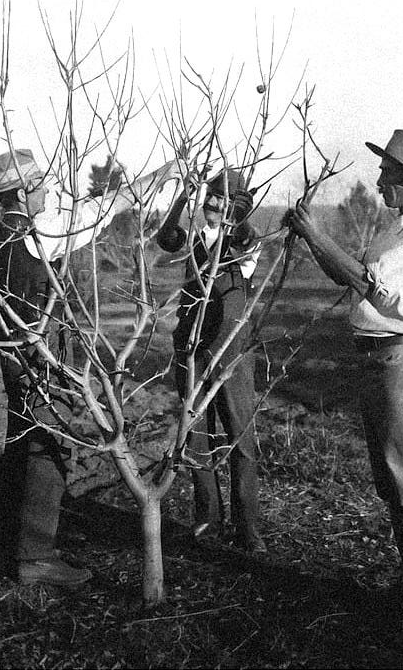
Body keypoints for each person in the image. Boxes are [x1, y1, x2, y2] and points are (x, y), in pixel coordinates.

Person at [284, 129, 403, 634]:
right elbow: (352, 276)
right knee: (394, 483)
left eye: (387, 172)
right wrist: (308, 237)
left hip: (400, 362)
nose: (380, 180)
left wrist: (316, 232)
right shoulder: (399, 230)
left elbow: (368, 282)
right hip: (379, 362)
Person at [0, 148, 175, 586]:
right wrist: (165, 173)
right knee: (48, 448)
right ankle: (36, 557)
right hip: (36, 356)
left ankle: (15, 547)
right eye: (41, 185)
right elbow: (107, 205)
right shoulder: (36, 237)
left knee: (21, 443)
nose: (49, 190)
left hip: (13, 353)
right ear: (25, 192)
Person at [155, 168, 266, 553]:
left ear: (237, 206)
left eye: (223, 199)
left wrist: (238, 219)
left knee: (240, 437)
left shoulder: (243, 242)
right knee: (196, 437)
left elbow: (243, 238)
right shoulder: (193, 240)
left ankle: (247, 526)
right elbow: (165, 237)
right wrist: (181, 200)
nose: (213, 205)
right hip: (192, 350)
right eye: (210, 197)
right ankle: (207, 519)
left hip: (231, 353)